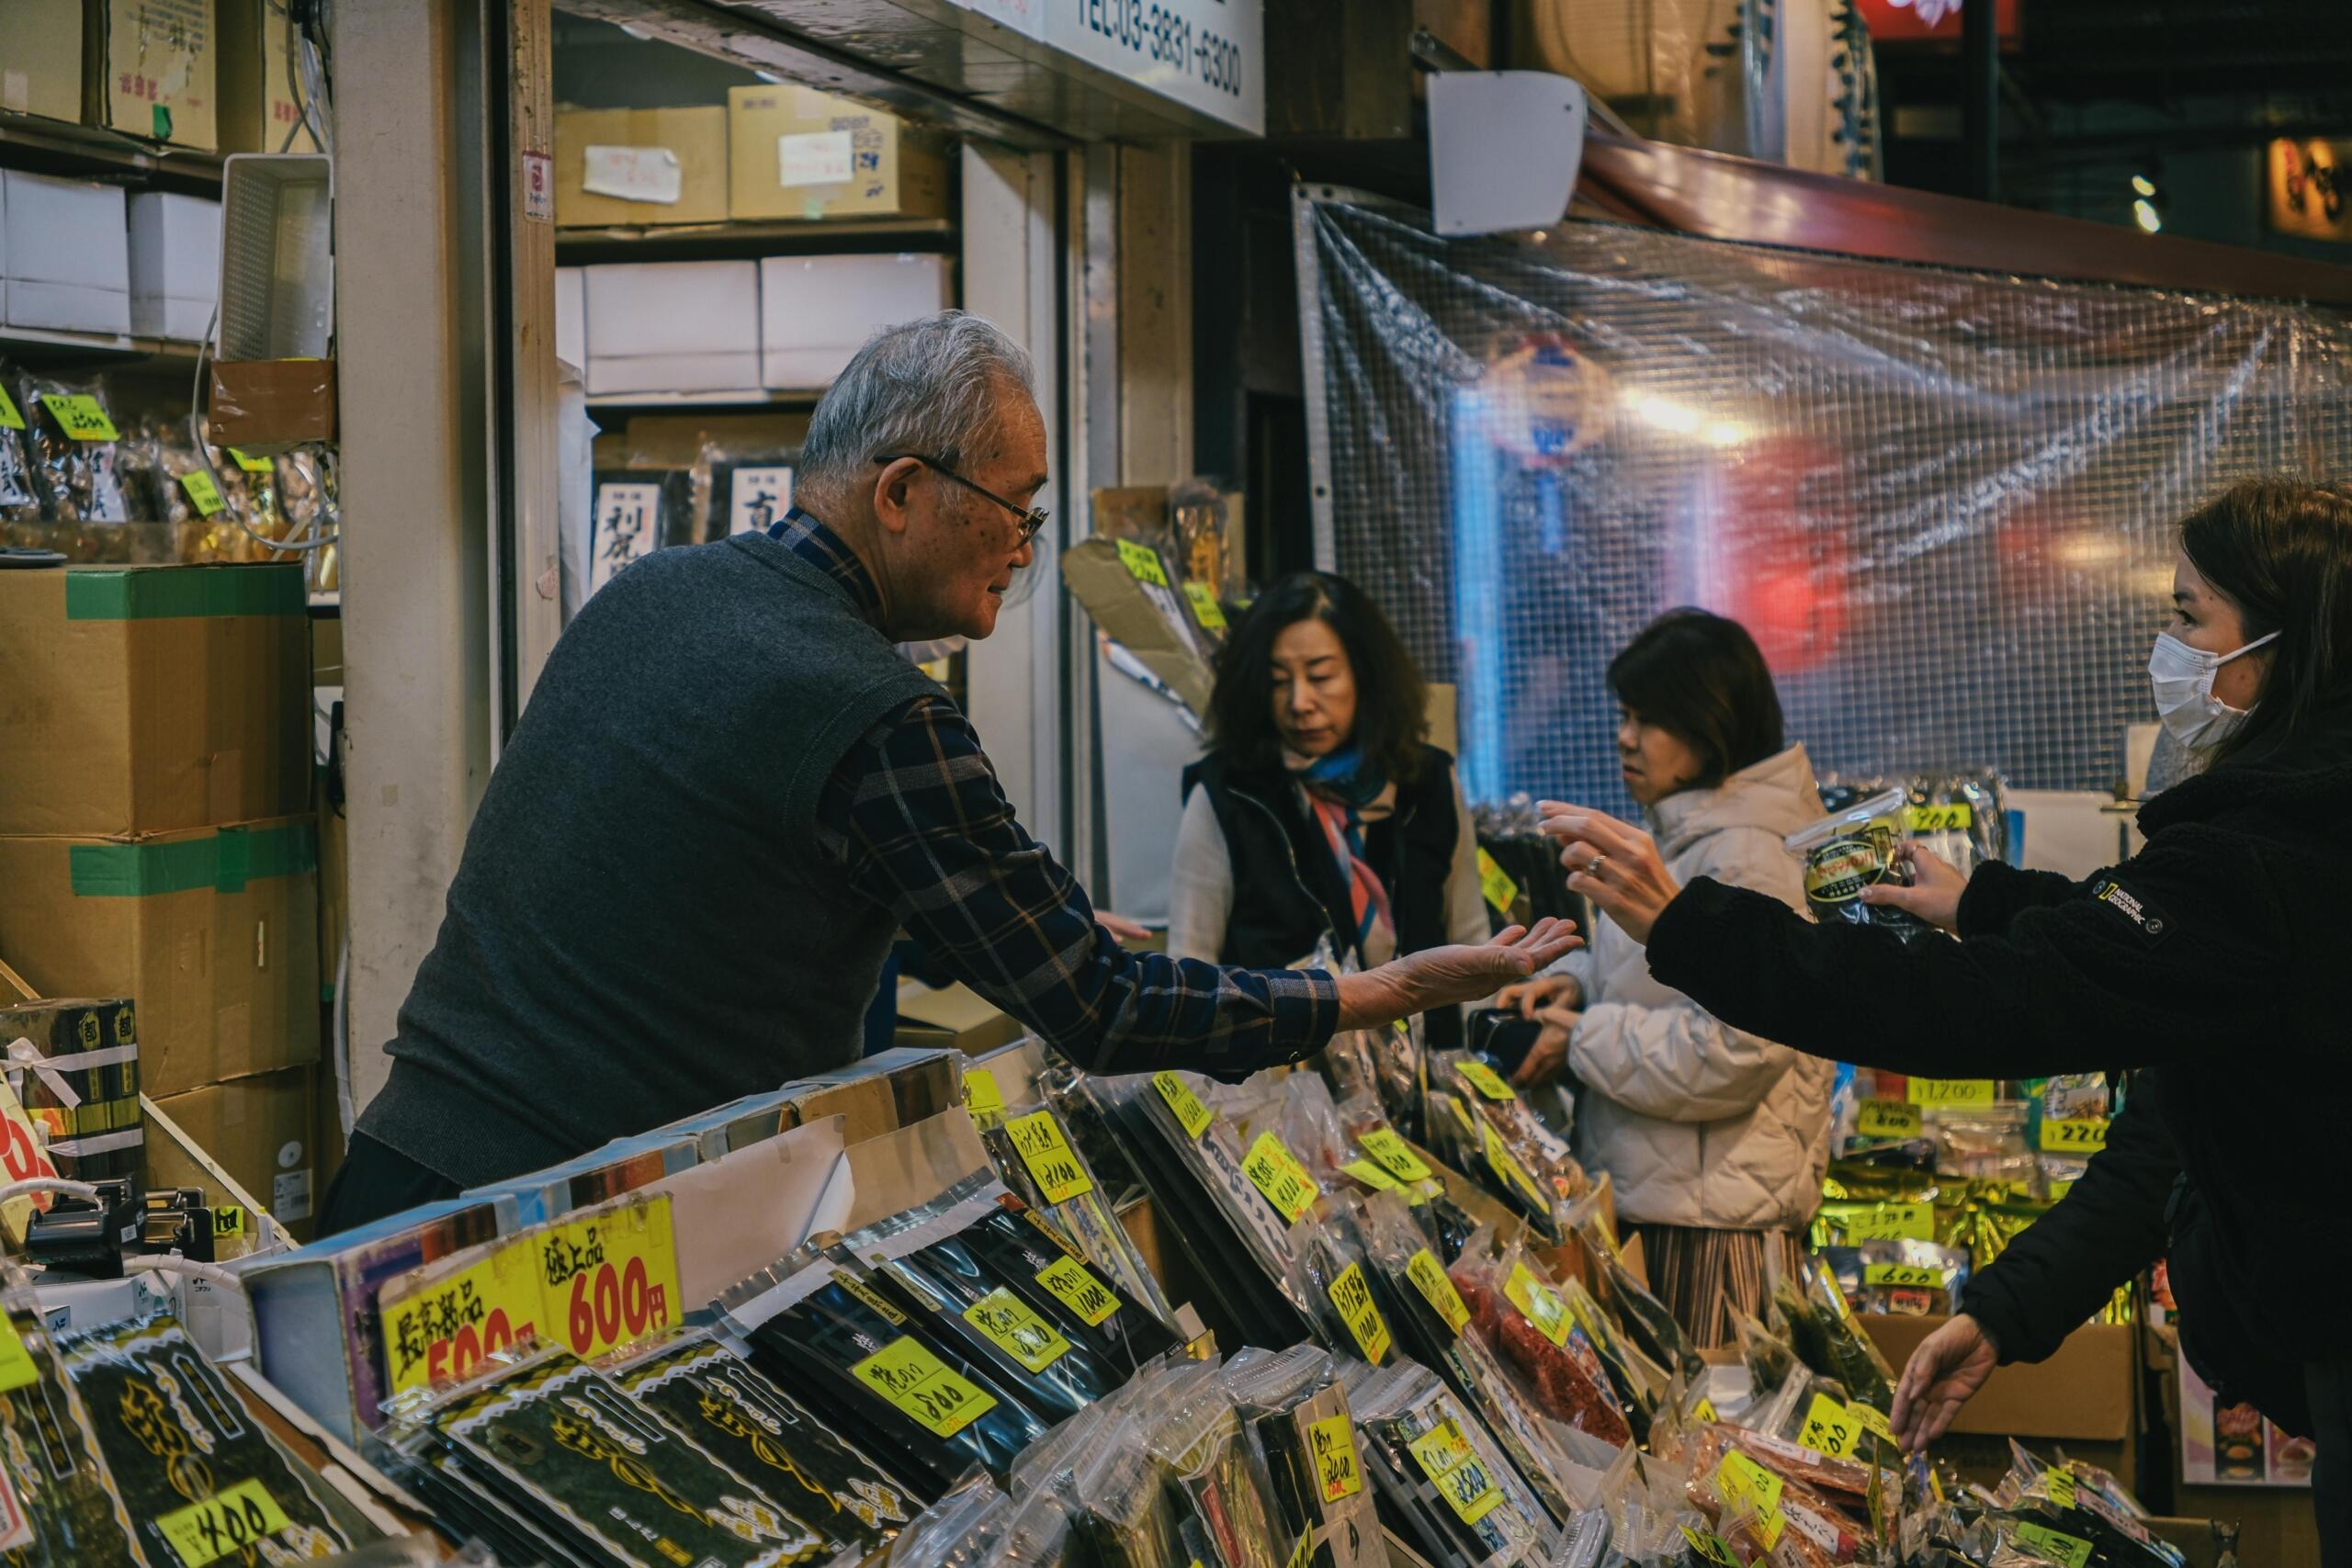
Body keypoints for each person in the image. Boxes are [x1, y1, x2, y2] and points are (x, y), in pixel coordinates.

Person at [322, 311, 1576, 1235]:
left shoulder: (652, 590)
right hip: (579, 1242)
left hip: (398, 1177)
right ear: (904, 491)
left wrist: (982, 923)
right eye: (1018, 508)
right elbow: (1098, 1007)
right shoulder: (877, 708)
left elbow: (713, 877)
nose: (1025, 548)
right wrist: (1368, 992)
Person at [1537, 479, 2352, 1562]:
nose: (2165, 650)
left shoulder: (2267, 861)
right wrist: (1984, 904)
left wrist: (1691, 927)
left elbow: (1971, 1007)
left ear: (2284, 647)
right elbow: (2159, 1093)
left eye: (2187, 617)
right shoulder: (2288, 849)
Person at [1497, 610, 1832, 1346]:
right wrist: (1579, 983)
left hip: (1714, 1232)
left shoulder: (1746, 855)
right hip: (1674, 1206)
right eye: (1625, 715)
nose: (1625, 737)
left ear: (1710, 726)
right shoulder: (1689, 839)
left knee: (1709, 1410)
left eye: (1648, 719)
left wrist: (1580, 1038)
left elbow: (1739, 1045)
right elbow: (1671, 981)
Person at [1168, 571, 1492, 1050]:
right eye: (1279, 682)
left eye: (1320, 677)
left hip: (1430, 1076)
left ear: (1366, 674)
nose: (1300, 703)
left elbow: (1471, 938)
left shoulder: (1429, 783)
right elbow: (1190, 969)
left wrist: (1482, 1064)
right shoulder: (1228, 794)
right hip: (1285, 1083)